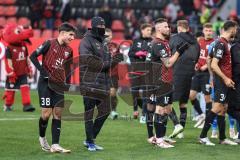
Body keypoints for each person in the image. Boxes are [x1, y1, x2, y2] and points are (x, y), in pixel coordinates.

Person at [30, 22, 76, 153]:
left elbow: (68, 68)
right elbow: (32, 56)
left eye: (73, 35)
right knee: (46, 113)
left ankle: (55, 144)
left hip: (59, 85)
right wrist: (42, 71)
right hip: (45, 83)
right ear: (62, 33)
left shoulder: (69, 50)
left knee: (58, 113)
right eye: (71, 35)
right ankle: (42, 138)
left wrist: (68, 82)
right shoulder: (49, 43)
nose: (72, 38)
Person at [79, 17, 123, 151]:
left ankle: (89, 139)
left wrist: (114, 60)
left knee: (105, 111)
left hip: (102, 83)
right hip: (89, 82)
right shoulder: (86, 41)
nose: (102, 27)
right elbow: (88, 61)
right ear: (93, 26)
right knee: (89, 113)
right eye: (100, 25)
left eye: (104, 25)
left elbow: (107, 62)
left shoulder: (103, 41)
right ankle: (90, 142)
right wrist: (111, 62)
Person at [145, 18, 188, 148]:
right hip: (160, 81)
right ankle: (159, 140)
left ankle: (161, 137)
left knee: (167, 108)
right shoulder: (158, 44)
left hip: (166, 80)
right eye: (165, 27)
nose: (168, 28)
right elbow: (168, 63)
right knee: (160, 109)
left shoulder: (164, 43)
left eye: (168, 26)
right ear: (158, 29)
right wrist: (179, 52)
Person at [199, 20, 238, 146]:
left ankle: (222, 138)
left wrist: (212, 77)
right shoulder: (221, 43)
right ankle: (203, 136)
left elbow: (209, 59)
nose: (236, 31)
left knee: (223, 108)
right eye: (236, 29)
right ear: (232, 29)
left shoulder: (220, 42)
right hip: (222, 81)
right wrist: (224, 78)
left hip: (222, 81)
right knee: (216, 108)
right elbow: (215, 64)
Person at [169, 20, 200, 138]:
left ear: (179, 28)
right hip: (189, 74)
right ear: (188, 28)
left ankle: (177, 125)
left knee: (166, 102)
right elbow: (196, 58)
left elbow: (169, 54)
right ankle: (181, 130)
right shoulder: (195, 41)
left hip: (176, 72)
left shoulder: (174, 38)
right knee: (183, 103)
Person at [2, 24, 35, 112]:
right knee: (11, 90)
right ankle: (8, 105)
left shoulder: (24, 46)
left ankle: (27, 105)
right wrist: (11, 72)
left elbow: (27, 58)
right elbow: (8, 62)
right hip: (13, 74)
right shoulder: (9, 48)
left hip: (23, 73)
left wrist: (29, 68)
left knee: (25, 88)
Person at [189, 23, 214, 128]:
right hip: (198, 73)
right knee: (191, 96)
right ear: (203, 31)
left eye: (210, 31)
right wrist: (196, 64)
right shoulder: (200, 42)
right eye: (206, 30)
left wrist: (207, 67)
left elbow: (216, 59)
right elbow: (198, 56)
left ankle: (207, 121)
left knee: (207, 98)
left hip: (207, 74)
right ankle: (201, 114)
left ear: (212, 32)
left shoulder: (214, 43)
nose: (208, 32)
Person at [128, 23, 152, 122]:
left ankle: (144, 114)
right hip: (136, 70)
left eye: (150, 30)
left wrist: (146, 55)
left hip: (147, 71)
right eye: (148, 30)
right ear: (142, 30)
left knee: (146, 93)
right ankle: (135, 110)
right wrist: (137, 54)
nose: (149, 32)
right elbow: (130, 54)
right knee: (134, 92)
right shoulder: (136, 41)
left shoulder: (153, 42)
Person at [105, 28, 120, 119]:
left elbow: (118, 58)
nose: (107, 37)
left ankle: (113, 111)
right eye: (106, 35)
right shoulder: (98, 45)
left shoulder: (115, 46)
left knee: (113, 93)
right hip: (103, 74)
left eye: (109, 35)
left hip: (113, 73)